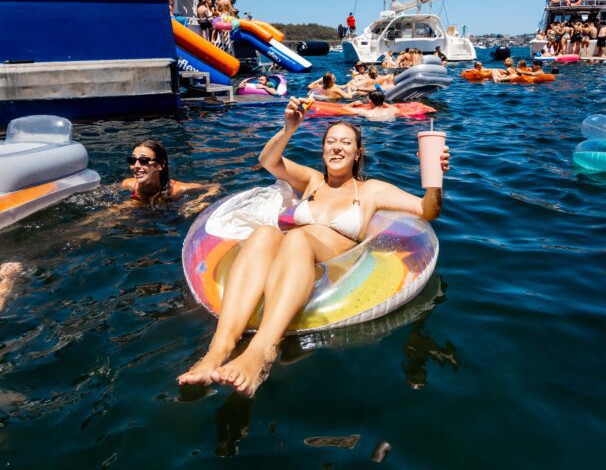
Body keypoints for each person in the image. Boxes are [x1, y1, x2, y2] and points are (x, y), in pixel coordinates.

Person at [177, 100, 450, 394]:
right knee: (263, 234)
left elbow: (427, 211)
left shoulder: (372, 191)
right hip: (294, 262)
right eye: (330, 141)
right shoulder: (313, 181)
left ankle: (261, 353)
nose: (336, 147)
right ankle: (217, 352)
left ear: (358, 153)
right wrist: (288, 129)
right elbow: (268, 161)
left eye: (346, 142)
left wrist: (434, 177)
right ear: (322, 150)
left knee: (296, 237)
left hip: (332, 267)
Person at [122, 140, 219, 206]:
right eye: (132, 160)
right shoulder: (128, 184)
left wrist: (196, 204)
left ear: (160, 165)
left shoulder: (178, 190)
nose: (136, 166)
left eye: (144, 160)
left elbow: (214, 187)